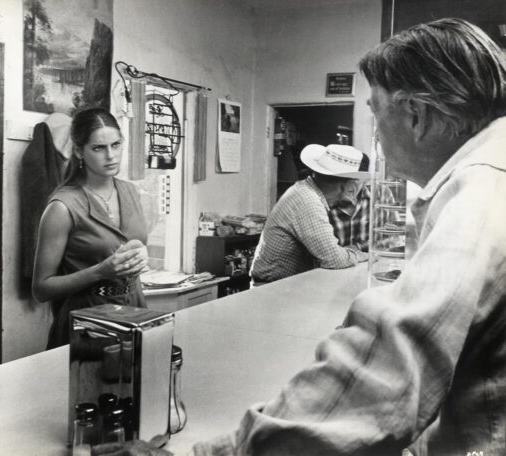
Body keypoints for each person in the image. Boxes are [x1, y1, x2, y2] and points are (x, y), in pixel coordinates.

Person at [192, 18, 506, 455]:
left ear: (416, 115)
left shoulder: (484, 185)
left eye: (376, 112)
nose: (375, 135)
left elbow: (392, 365)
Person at [32, 108, 149, 349]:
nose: (111, 156)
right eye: (98, 148)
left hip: (134, 308)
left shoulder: (130, 191)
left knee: (137, 382)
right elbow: (41, 289)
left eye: (116, 145)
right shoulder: (63, 207)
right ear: (78, 151)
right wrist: (100, 271)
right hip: (86, 320)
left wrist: (141, 253)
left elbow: (132, 245)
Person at [250, 144, 369, 284]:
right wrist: (365, 255)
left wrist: (347, 252)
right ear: (344, 186)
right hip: (271, 287)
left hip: (284, 284)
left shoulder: (305, 191)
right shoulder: (307, 200)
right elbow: (335, 260)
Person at [328, 179, 371, 251]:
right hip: (337, 261)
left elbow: (394, 239)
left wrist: (357, 248)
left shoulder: (381, 194)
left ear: (364, 181)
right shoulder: (320, 202)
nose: (349, 186)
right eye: (345, 179)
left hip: (373, 260)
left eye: (355, 180)